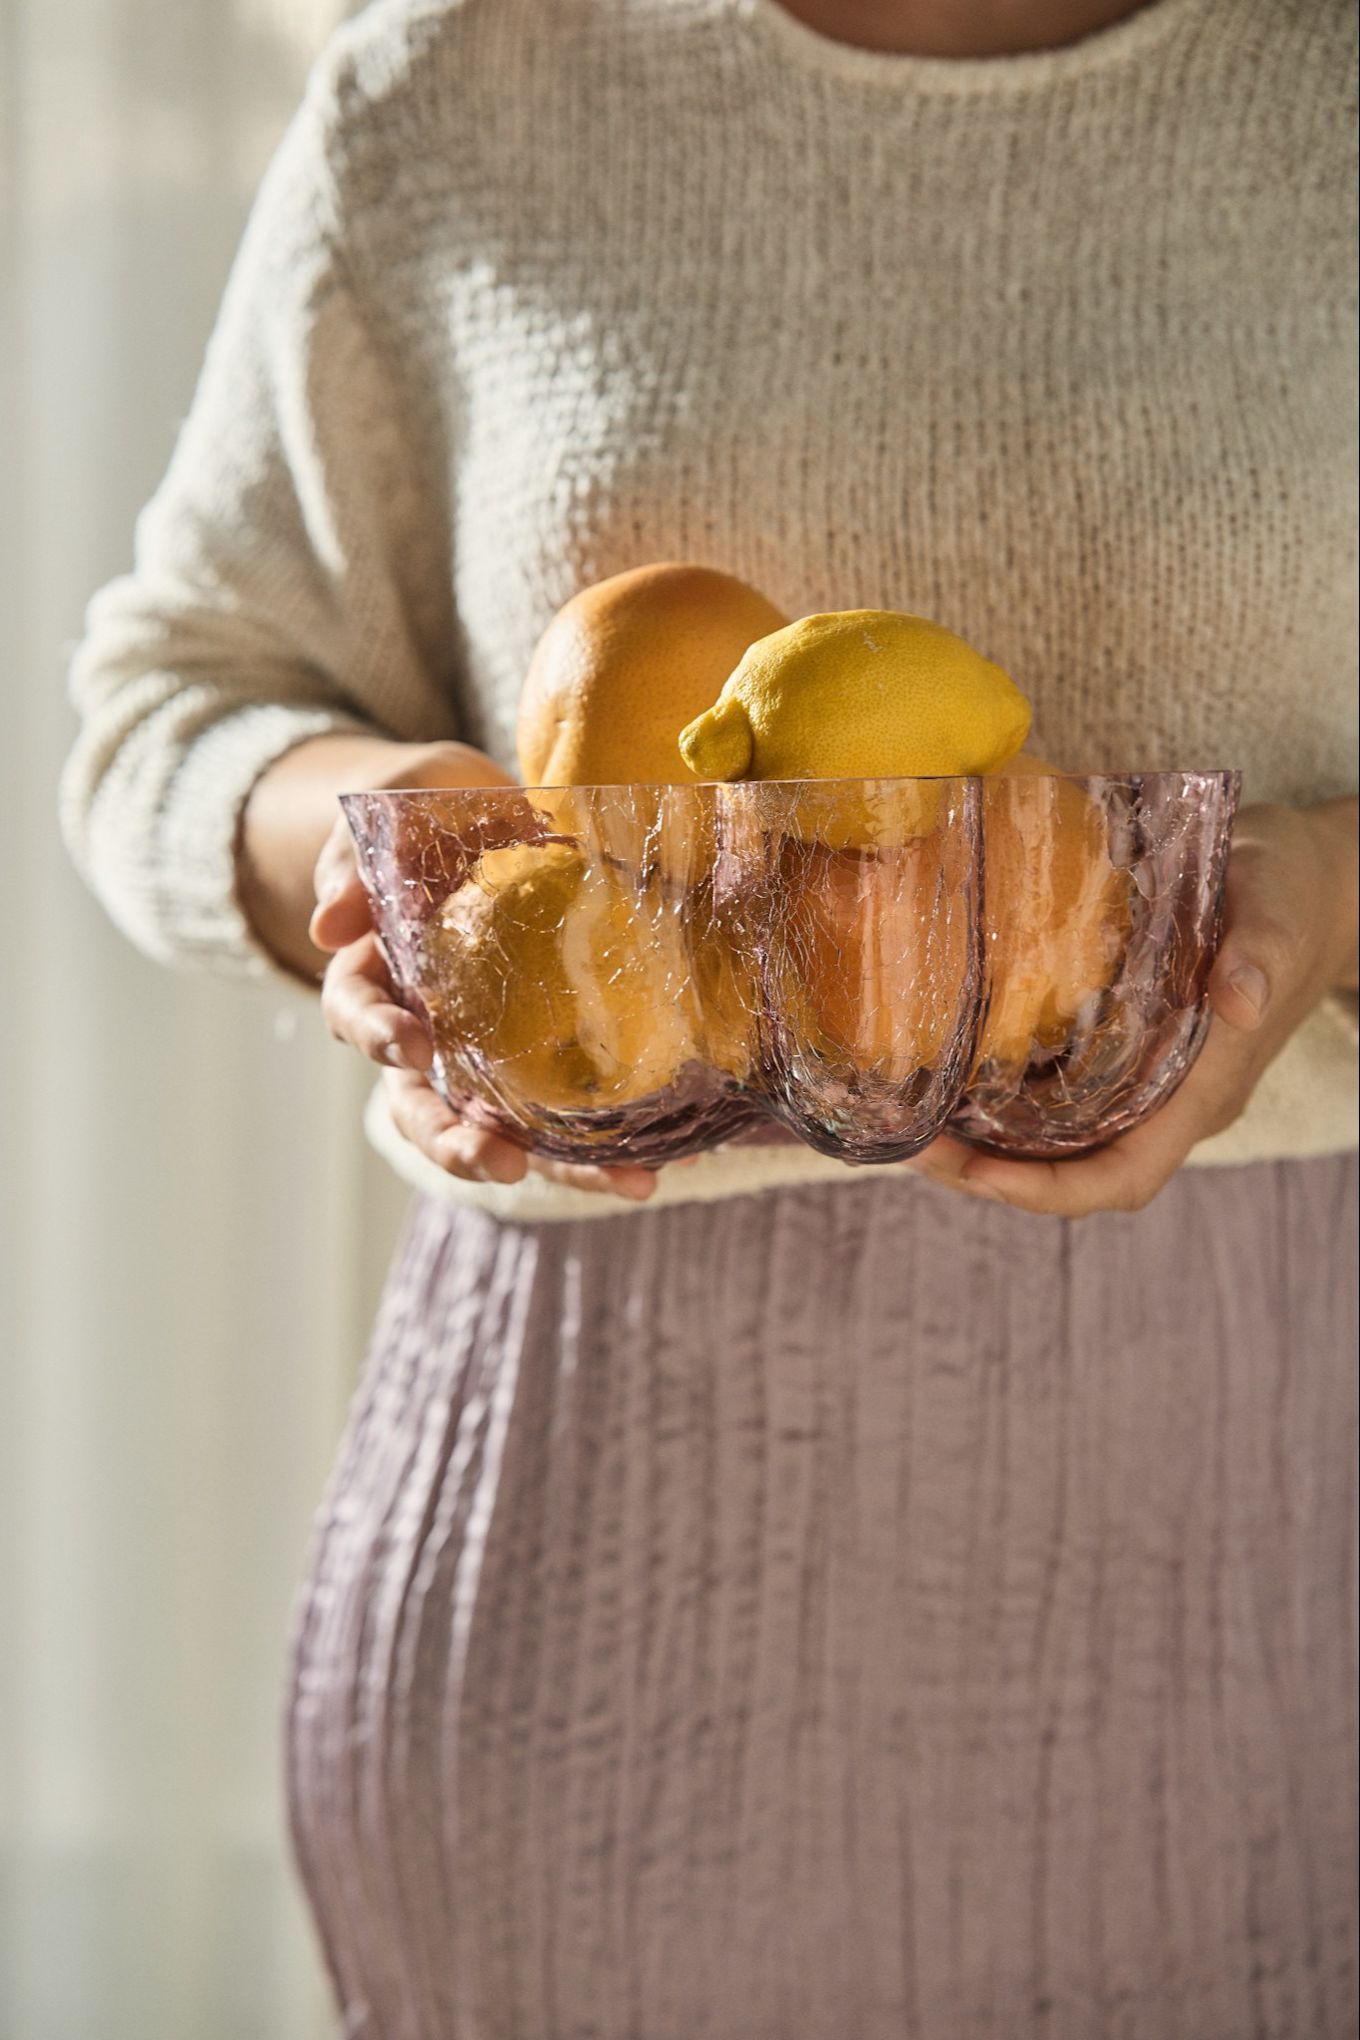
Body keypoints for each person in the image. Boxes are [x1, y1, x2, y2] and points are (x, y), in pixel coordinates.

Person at [61, 0, 1358, 2032]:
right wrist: (379, 841)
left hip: (1284, 1591)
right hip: (584, 1597)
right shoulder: (460, 89)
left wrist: (1330, 892)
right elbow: (171, 703)